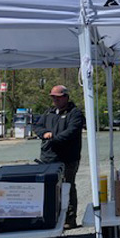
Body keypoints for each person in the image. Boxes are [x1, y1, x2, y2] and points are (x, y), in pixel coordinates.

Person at [33, 85, 85, 229]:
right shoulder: (49, 112)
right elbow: (37, 126)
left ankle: (70, 218)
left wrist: (53, 138)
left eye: (58, 97)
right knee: (49, 188)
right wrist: (43, 134)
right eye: (53, 97)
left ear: (66, 97)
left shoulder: (74, 113)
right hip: (48, 158)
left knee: (68, 187)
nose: (55, 100)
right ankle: (52, 217)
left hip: (67, 158)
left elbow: (71, 132)